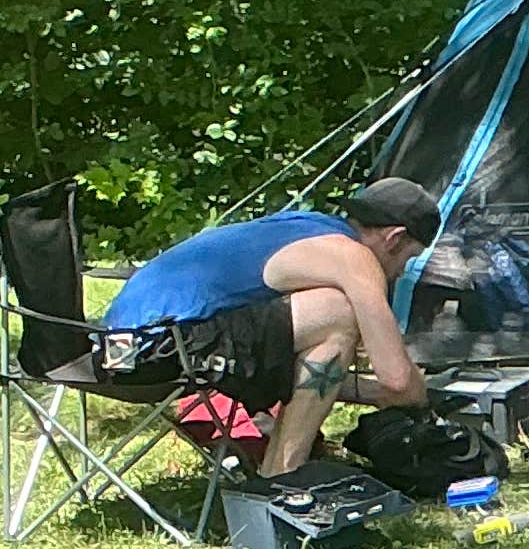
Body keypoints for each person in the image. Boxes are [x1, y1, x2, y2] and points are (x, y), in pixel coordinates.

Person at [97, 179, 443, 479]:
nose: (401, 272)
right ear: (394, 238)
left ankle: (279, 473)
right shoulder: (352, 255)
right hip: (155, 350)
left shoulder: (308, 226)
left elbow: (285, 349)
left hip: (113, 348)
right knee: (338, 311)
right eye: (408, 259)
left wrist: (370, 391)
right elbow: (397, 380)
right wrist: (423, 401)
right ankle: (282, 478)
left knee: (319, 314)